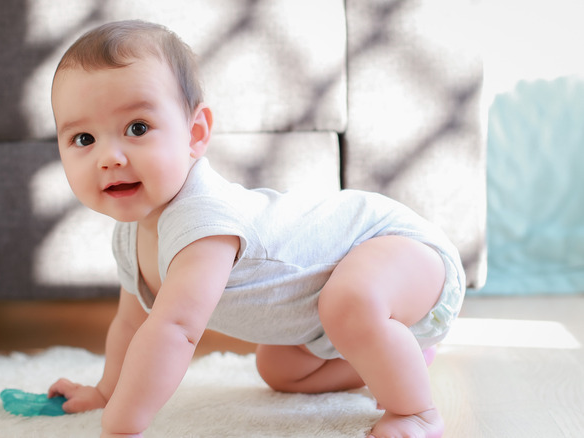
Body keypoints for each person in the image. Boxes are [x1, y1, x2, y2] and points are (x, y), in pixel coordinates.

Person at [47, 19, 465, 438]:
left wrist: (120, 426)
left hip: (401, 250)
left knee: (350, 304)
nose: (109, 158)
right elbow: (132, 324)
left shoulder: (204, 222)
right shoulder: (131, 233)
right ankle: (397, 354)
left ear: (194, 134)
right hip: (327, 314)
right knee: (281, 370)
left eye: (137, 128)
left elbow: (174, 331)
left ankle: (417, 412)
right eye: (83, 139)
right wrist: (106, 392)